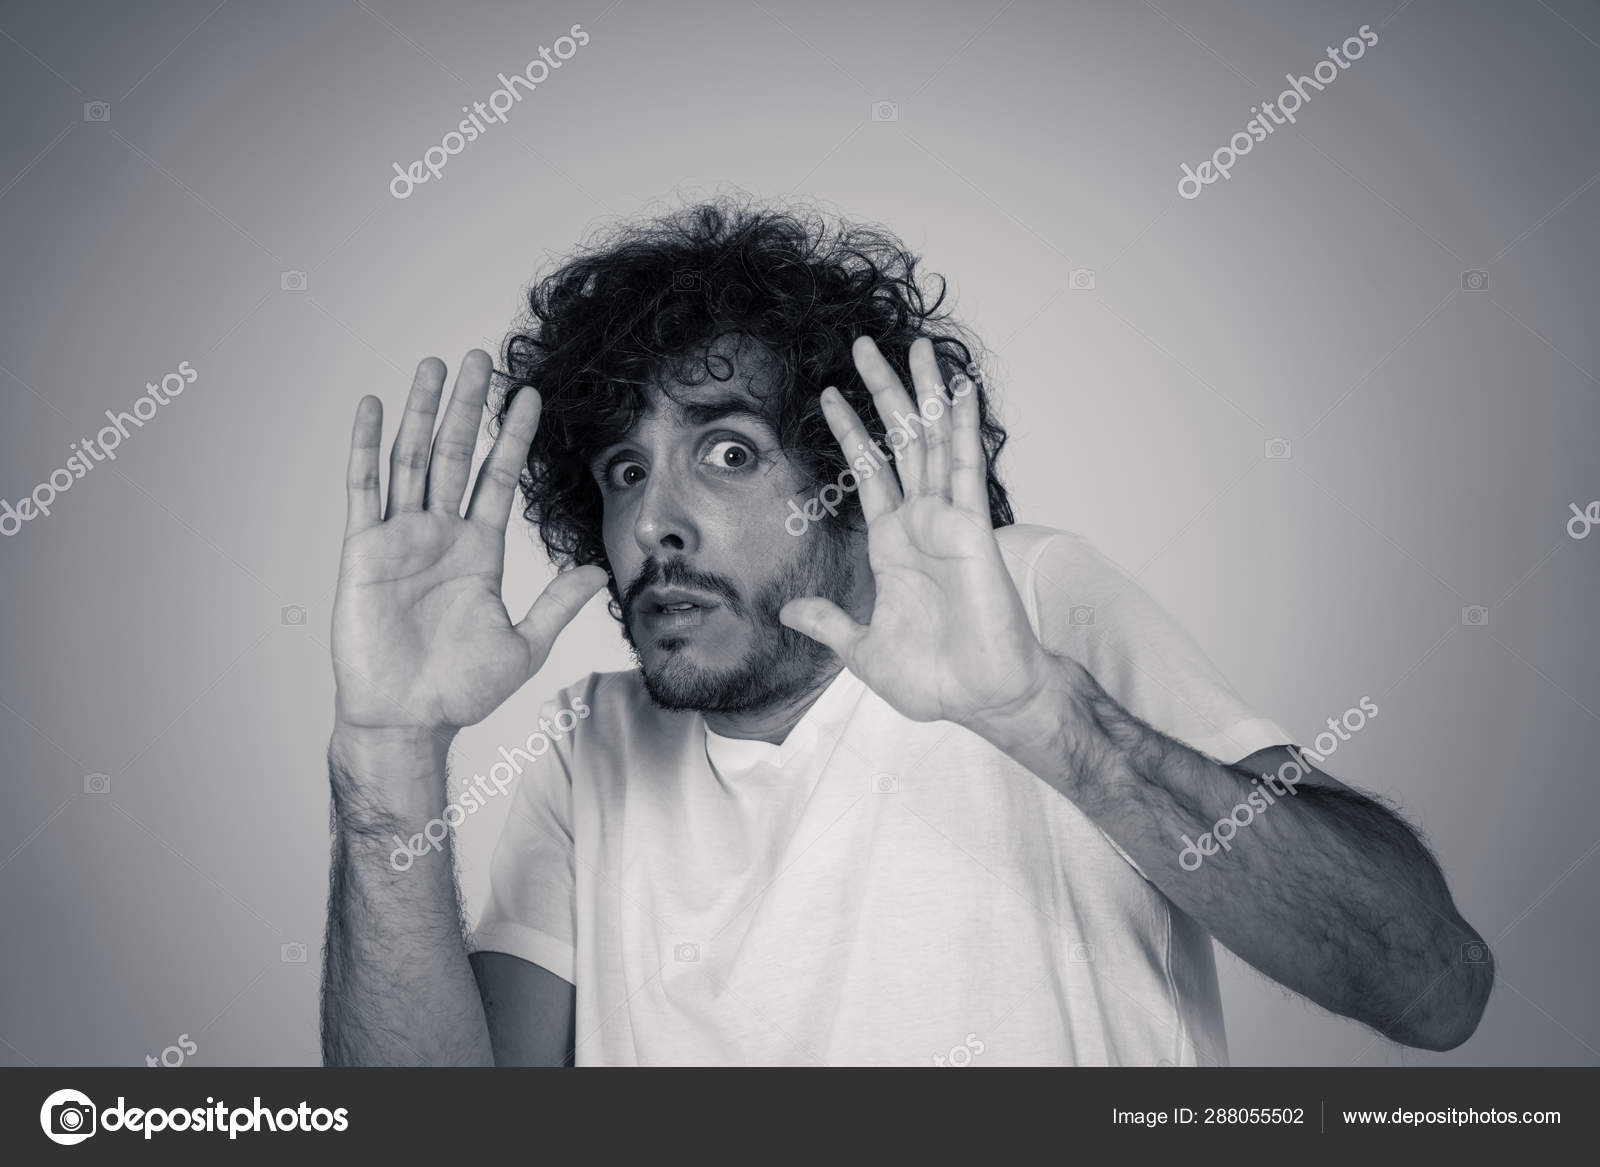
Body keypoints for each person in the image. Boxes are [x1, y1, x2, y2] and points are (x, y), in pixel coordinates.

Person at [320, 202, 1491, 1066]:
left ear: (846, 472)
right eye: (625, 469)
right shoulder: (593, 747)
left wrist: (1047, 721)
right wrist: (387, 756)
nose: (654, 524)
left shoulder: (1026, 606)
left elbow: (1432, 988)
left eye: (726, 452)